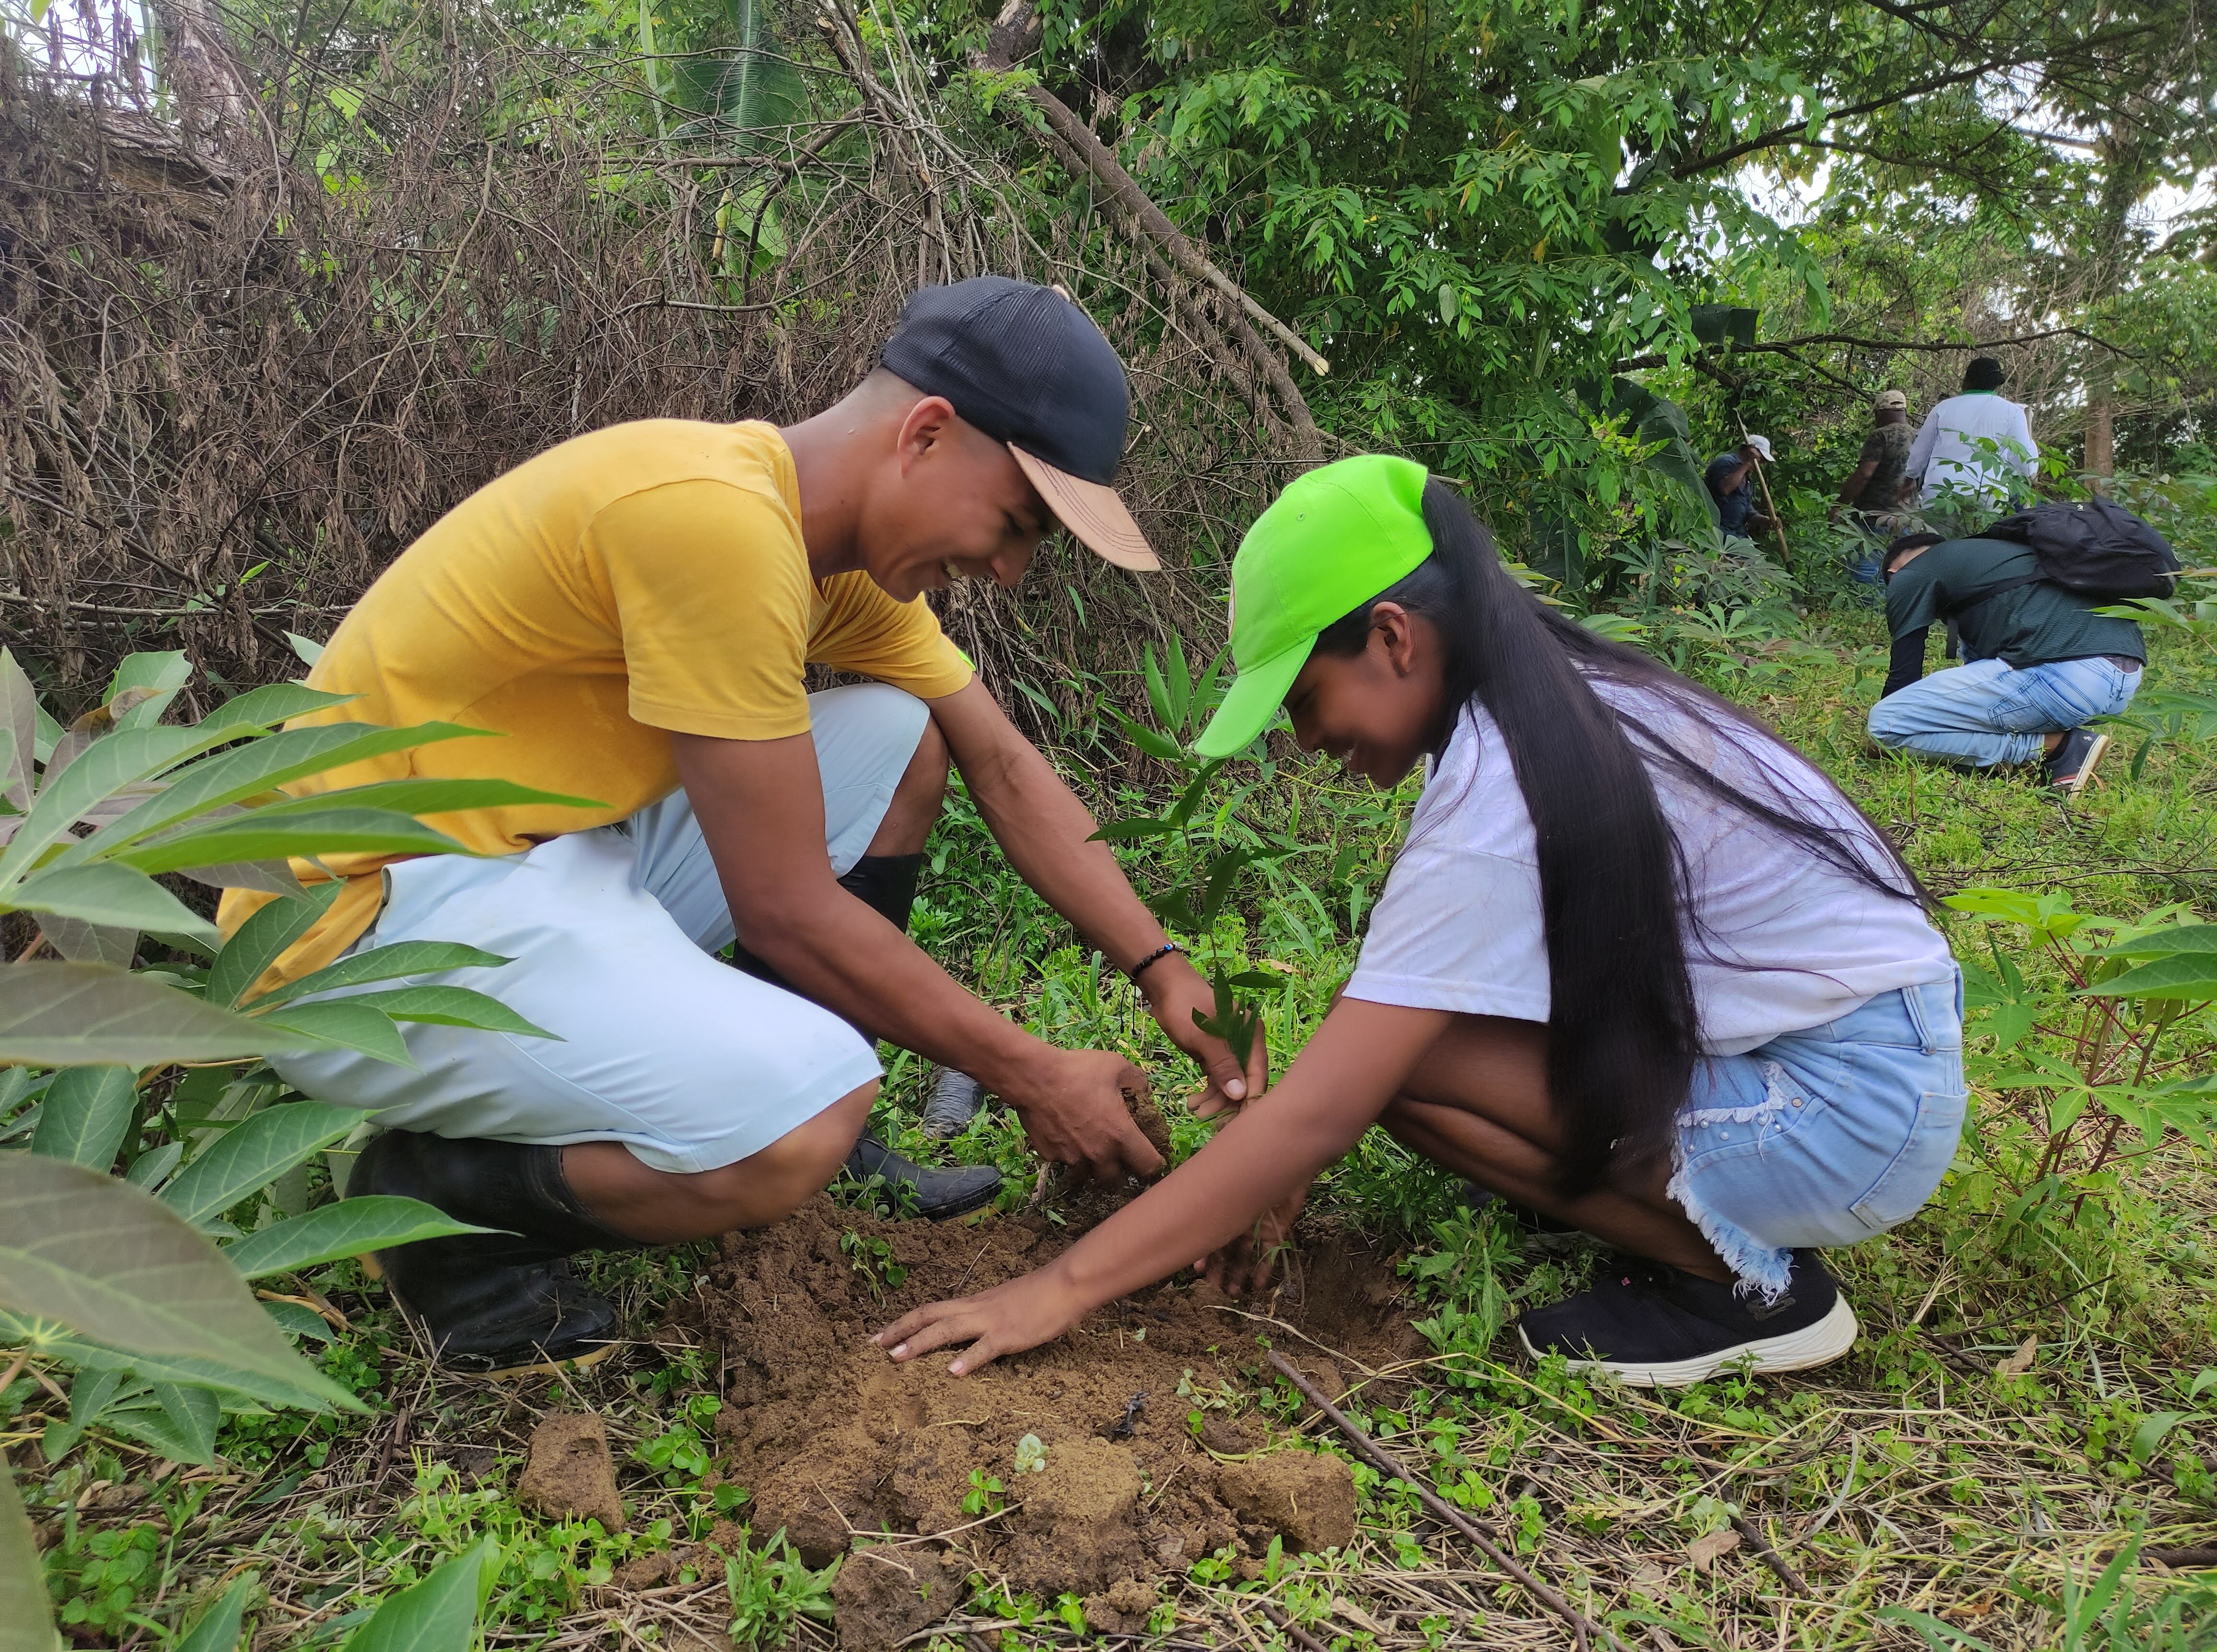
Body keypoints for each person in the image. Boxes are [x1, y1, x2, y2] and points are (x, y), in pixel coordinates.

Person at [220, 276, 1266, 1375]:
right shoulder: (710, 522)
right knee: (796, 1119)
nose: (1007, 570)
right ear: (924, 435)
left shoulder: (817, 555)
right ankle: (442, 1207)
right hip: (353, 930)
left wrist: (1162, 969)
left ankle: (809, 1120)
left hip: (522, 862)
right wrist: (1034, 1073)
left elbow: (1000, 764)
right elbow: (786, 908)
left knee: (901, 734)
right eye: (1014, 524)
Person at [875, 456, 1965, 1389]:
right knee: (1398, 1057)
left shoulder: (1498, 785)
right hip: (1850, 1060)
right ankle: (1669, 1205)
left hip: (1844, 1105)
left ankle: (1752, 1291)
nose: (1303, 743)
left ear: (1392, 637)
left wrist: (1055, 1291)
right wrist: (1295, 1128)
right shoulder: (1551, 704)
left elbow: (1319, 1110)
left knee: (1389, 1069)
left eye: (1303, 702)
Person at [1867, 531, 2144, 795]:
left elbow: (1904, 674)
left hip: (2064, 675)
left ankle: (2057, 747)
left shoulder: (1910, 574)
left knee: (1884, 726)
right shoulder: (1990, 562)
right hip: (2122, 683)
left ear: (1894, 573)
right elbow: (1981, 674)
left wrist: (1894, 731)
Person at [1905, 357, 2037, 507]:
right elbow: (2024, 463)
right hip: (1988, 494)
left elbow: (1919, 454)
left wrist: (1909, 480)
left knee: (1936, 531)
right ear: (1997, 385)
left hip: (1941, 492)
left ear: (1966, 381)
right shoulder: (2013, 412)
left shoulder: (1943, 408)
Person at [1835, 390, 1916, 583]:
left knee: (1867, 566)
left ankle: (1865, 609)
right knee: (1897, 568)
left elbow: (1865, 474)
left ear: (1880, 413)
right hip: (1909, 516)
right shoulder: (1920, 436)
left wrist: (1841, 504)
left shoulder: (1881, 436)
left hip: (1875, 515)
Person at [1704, 434, 1777, 538]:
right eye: (1760, 459)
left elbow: (1747, 512)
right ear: (1751, 451)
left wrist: (1767, 521)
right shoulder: (1726, 462)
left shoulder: (1747, 479)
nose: (1761, 464)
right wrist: (1747, 464)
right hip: (1718, 531)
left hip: (1737, 534)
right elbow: (1725, 489)